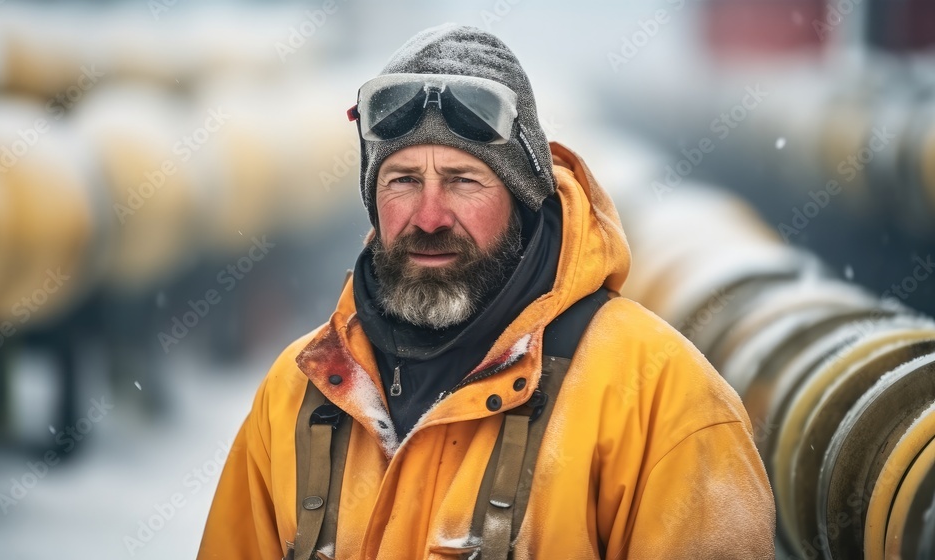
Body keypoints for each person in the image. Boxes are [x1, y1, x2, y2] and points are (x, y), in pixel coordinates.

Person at [198, 23, 775, 560]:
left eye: (462, 181)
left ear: (523, 198)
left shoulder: (660, 399)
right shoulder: (299, 394)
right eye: (402, 181)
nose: (428, 217)